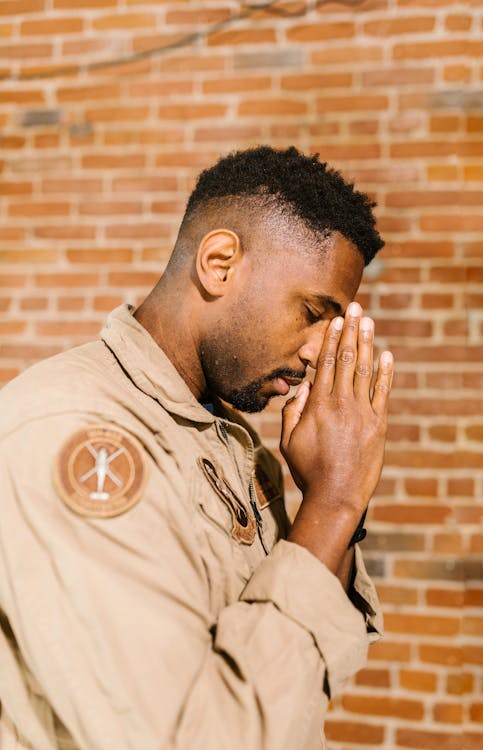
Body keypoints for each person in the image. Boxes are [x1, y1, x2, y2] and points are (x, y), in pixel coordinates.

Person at [0, 145, 393, 750]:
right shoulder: (76, 435)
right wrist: (334, 504)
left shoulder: (229, 439)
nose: (319, 352)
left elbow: (296, 679)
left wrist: (335, 496)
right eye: (313, 313)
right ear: (219, 262)